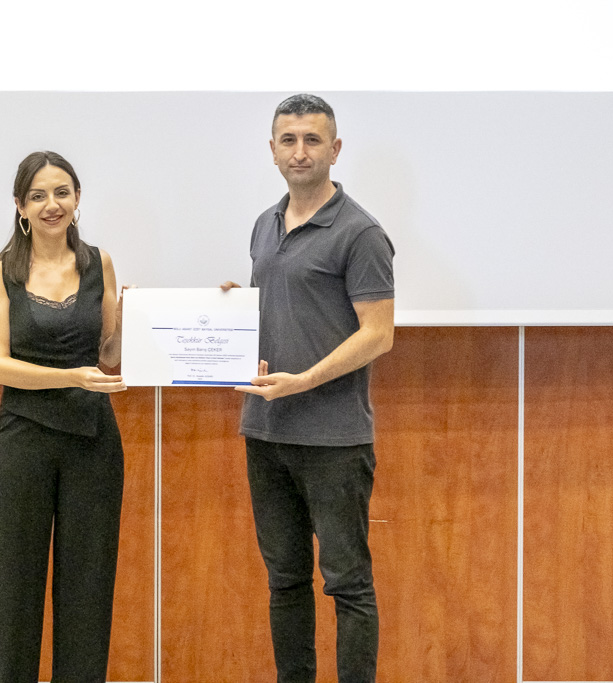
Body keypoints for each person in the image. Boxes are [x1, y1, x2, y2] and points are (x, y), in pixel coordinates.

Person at [222, 94, 395, 682]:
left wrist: (304, 381)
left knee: (348, 584)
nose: (300, 151)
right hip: (266, 433)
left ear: (335, 150)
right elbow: (281, 309)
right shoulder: (264, 225)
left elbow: (378, 333)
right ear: (272, 150)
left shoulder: (361, 232)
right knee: (285, 581)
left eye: (312, 140)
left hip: (335, 441)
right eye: (289, 140)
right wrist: (230, 311)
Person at [0, 150, 127, 683]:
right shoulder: (4, 271)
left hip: (93, 442)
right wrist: (70, 378)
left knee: (88, 591)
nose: (51, 204)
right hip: (22, 440)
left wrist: (139, 320)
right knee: (10, 590)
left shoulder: (100, 264)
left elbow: (108, 355)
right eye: (38, 195)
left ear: (78, 199)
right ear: (20, 206)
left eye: (61, 192)